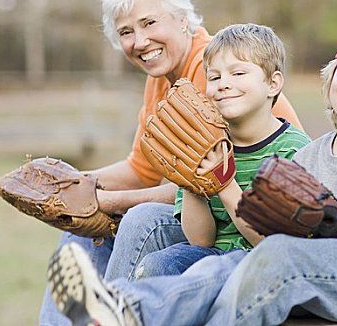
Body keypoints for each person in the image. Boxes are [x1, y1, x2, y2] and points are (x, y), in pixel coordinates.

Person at [48, 25, 337, 326]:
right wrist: (202, 183)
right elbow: (272, 238)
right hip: (312, 265)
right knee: (230, 263)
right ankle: (120, 306)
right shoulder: (311, 156)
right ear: (332, 77)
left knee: (276, 256)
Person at [39, 0, 304, 325]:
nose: (140, 41)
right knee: (82, 228)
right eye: (126, 32)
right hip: (213, 219)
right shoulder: (159, 80)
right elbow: (141, 170)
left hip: (252, 221)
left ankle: (116, 309)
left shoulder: (212, 73)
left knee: (139, 218)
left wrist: (102, 202)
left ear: (182, 18)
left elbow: (203, 177)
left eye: (149, 22)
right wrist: (73, 184)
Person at [111, 23, 311, 281]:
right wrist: (192, 182)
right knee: (157, 265)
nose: (224, 84)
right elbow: (201, 240)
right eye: (214, 77)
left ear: (273, 84)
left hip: (266, 266)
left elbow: (272, 243)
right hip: (215, 256)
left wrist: (224, 182)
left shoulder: (293, 150)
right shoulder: (205, 144)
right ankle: (114, 311)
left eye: (238, 73)